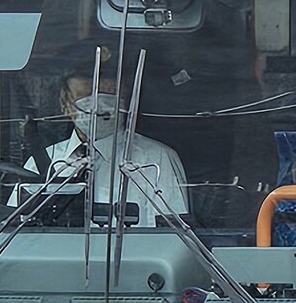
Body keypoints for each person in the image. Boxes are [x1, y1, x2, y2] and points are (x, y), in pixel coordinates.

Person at [25, 71, 189, 226]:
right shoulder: (40, 163)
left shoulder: (157, 160)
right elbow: (18, 230)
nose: (98, 107)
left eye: (109, 96)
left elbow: (170, 236)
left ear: (126, 102)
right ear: (65, 103)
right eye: (86, 95)